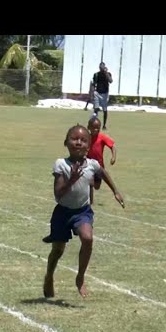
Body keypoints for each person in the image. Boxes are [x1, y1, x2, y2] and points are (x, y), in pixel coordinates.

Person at [43, 124, 125, 299]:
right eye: (74, 139)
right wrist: (71, 180)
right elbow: (58, 195)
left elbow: (103, 173)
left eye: (83, 140)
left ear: (89, 146)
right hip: (62, 212)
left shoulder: (92, 165)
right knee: (57, 250)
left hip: (82, 211)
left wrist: (115, 191)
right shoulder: (61, 165)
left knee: (87, 238)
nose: (78, 142)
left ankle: (80, 277)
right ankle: (49, 276)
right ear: (66, 143)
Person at [86, 116, 117, 205]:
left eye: (98, 128)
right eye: (93, 128)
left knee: (97, 186)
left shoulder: (102, 137)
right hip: (88, 165)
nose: (96, 130)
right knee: (90, 183)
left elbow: (113, 146)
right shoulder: (86, 137)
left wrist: (113, 157)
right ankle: (89, 202)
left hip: (99, 166)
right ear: (89, 127)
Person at [92, 62, 113, 129]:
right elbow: (93, 84)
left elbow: (110, 81)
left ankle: (104, 125)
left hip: (105, 94)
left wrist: (106, 72)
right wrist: (92, 92)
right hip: (97, 93)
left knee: (105, 110)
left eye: (103, 67)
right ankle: (94, 123)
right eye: (100, 67)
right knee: (96, 108)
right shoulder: (96, 75)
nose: (101, 69)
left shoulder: (108, 74)